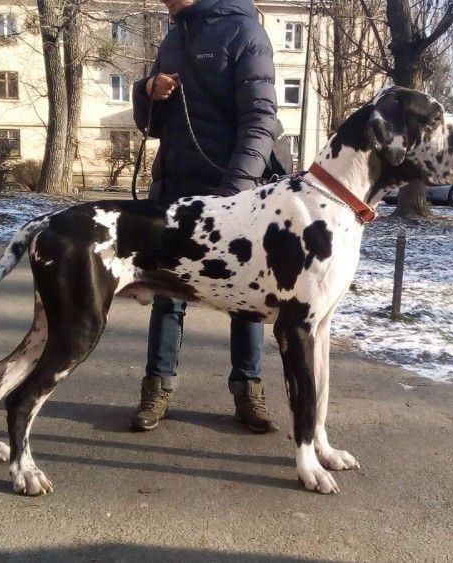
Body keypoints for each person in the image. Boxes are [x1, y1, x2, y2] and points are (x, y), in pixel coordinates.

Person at [129, 0, 280, 433]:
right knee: (167, 293)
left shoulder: (244, 31)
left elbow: (261, 121)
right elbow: (153, 126)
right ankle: (157, 387)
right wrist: (147, 91)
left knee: (246, 298)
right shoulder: (174, 37)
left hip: (231, 193)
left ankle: (248, 391)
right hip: (174, 190)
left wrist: (235, 194)